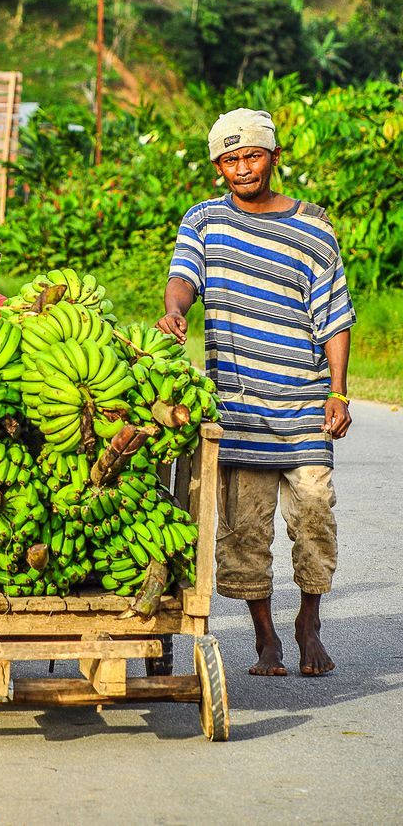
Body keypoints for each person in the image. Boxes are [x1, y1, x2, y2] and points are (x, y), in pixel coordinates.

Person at [158, 108, 355, 678]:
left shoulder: (312, 225)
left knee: (315, 514)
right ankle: (265, 636)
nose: (242, 167)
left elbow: (334, 314)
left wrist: (337, 393)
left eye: (251, 156)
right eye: (229, 159)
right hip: (236, 407)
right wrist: (175, 311)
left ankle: (309, 620)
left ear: (272, 156)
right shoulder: (203, 220)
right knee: (244, 531)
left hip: (302, 403)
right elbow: (183, 275)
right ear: (218, 166)